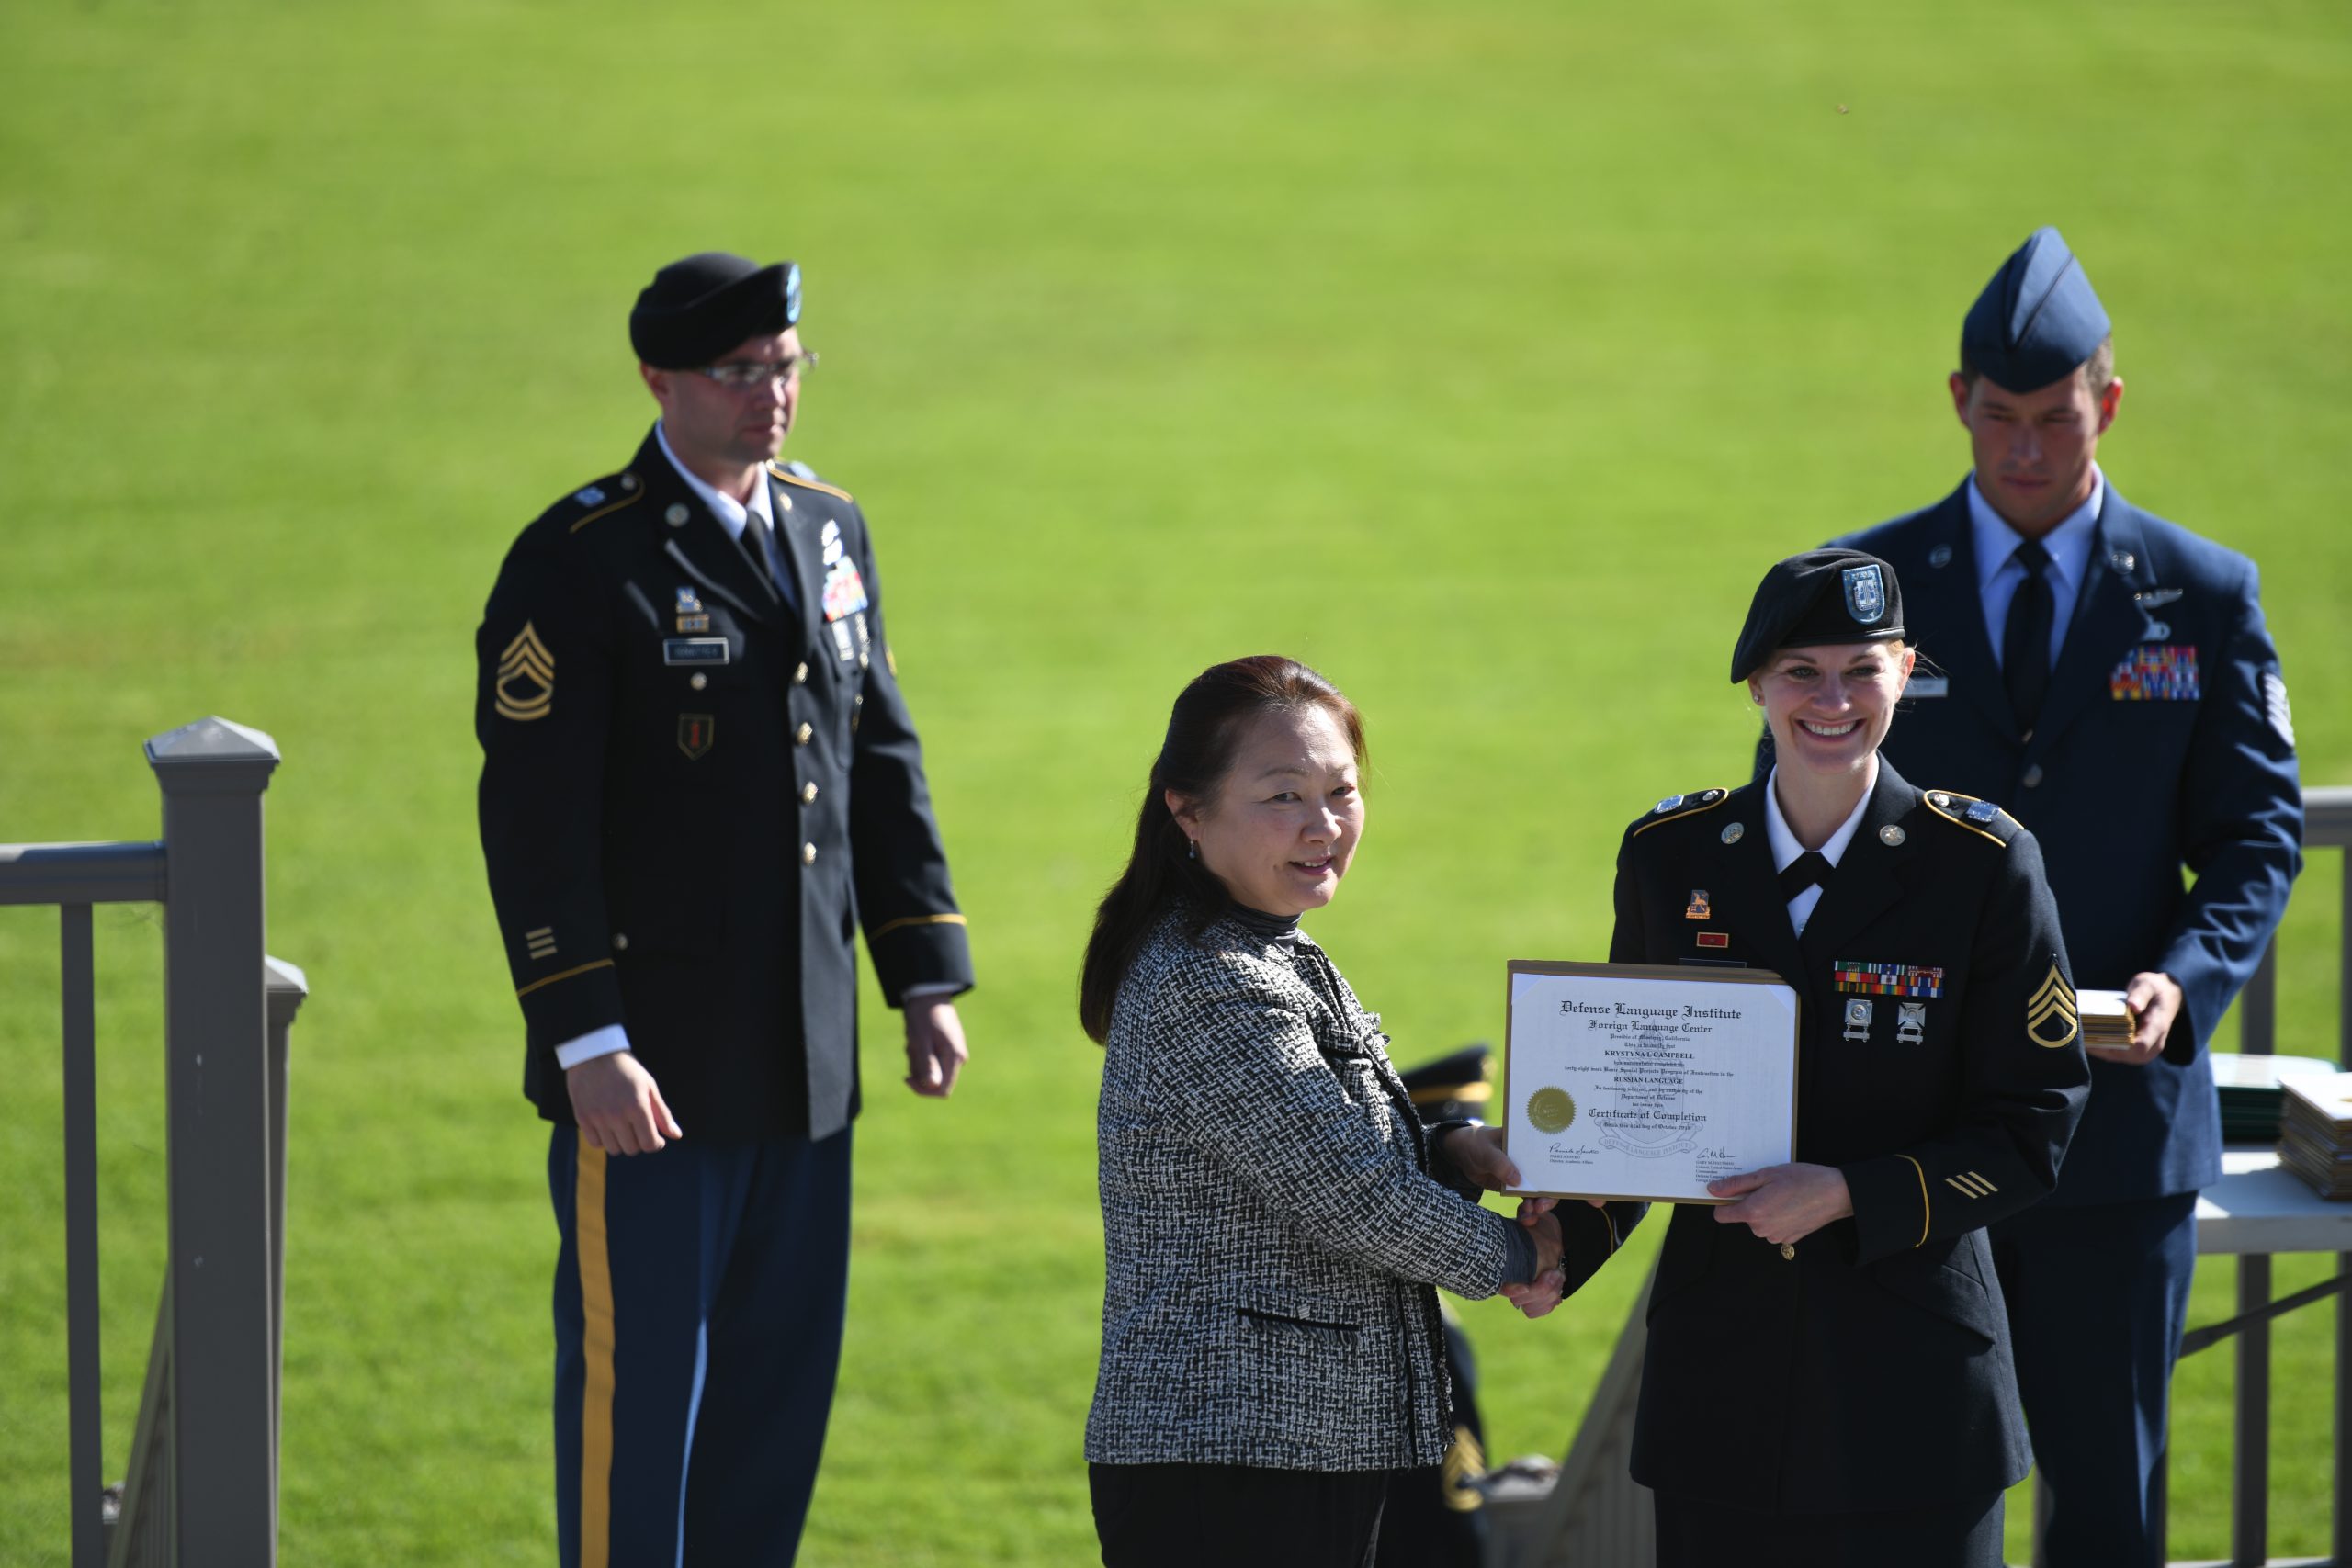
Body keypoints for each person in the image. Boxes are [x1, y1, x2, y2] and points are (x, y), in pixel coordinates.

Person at [473, 251, 975, 1566]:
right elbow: (534, 827)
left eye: (787, 365)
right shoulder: (580, 561)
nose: (772, 394)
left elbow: (876, 753)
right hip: (650, 1073)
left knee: (771, 1408)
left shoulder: (829, 525)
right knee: (639, 1418)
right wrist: (586, 1039)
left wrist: (923, 970)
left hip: (807, 1064)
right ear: (658, 379)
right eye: (738, 371)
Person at [1821, 228, 2304, 1565]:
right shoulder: (1868, 589)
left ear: (2110, 403)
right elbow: (1808, 822)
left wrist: (2183, 983)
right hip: (1919, 1124)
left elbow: (2256, 837)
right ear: (1957, 401)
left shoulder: (2204, 594)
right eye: (1999, 417)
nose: (2025, 450)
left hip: (2117, 1136)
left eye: (2055, 418)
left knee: (2105, 1505)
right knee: (1916, 1503)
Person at [1079, 656, 1641, 1568]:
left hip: (1284, 1448)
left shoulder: (1266, 947)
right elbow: (1349, 1196)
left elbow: (1317, 1151)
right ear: (1189, 811)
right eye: (1283, 796)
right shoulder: (1211, 979)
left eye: (1341, 791)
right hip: (1232, 1456)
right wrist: (1524, 1253)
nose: (1324, 826)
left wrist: (1453, 1149)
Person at [1607, 550, 2089, 1566]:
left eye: (1861, 670)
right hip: (1720, 1396)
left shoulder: (1985, 866)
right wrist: (1557, 1240)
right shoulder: (1667, 856)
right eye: (1800, 672)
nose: (1832, 702)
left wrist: (1845, 1194)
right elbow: (1634, 1100)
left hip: (1917, 1398)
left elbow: (2032, 1126)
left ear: (1905, 673)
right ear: (1755, 684)